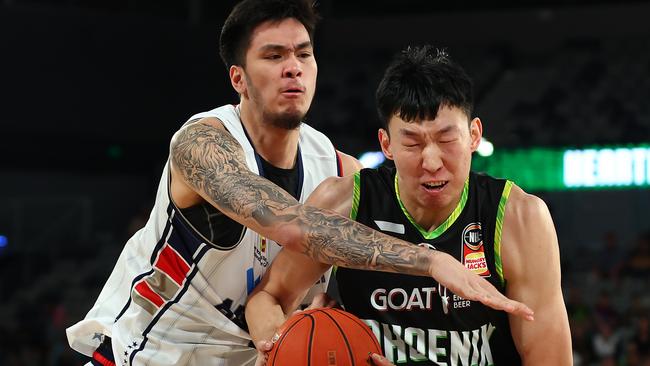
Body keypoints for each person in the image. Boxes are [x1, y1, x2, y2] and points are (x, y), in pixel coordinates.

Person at [66, 1, 532, 364]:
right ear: (239, 78)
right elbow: (290, 225)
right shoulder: (202, 144)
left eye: (303, 54)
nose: (293, 67)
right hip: (150, 353)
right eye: (273, 55)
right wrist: (432, 262)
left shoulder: (335, 167)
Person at [246, 46, 570, 365]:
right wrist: (280, 342)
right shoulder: (344, 203)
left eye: (446, 139)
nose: (431, 162)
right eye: (412, 143)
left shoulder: (518, 218)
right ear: (386, 144)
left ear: (474, 135)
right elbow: (267, 297)